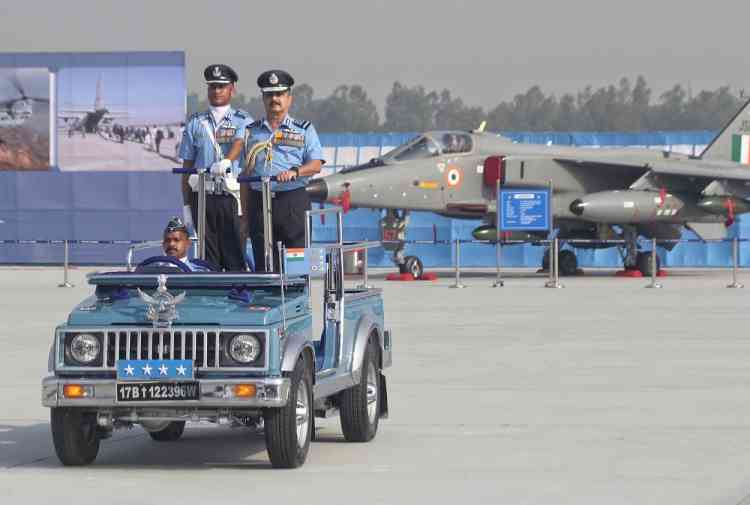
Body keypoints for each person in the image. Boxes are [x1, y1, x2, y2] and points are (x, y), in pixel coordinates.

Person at [240, 69, 324, 272]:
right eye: (269, 95)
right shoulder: (251, 131)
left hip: (292, 202)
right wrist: (244, 213)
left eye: (279, 94)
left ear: (289, 98)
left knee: (298, 263)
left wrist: (295, 171)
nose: (274, 99)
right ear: (263, 99)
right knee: (264, 263)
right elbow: (245, 175)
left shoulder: (304, 129)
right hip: (260, 202)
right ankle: (266, 303)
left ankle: (299, 301)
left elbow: (316, 164)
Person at [179, 64, 251, 271]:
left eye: (221, 86)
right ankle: (210, 301)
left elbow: (239, 143)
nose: (217, 91)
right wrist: (186, 205)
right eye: (213, 87)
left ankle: (238, 298)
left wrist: (228, 161)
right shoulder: (195, 122)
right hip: (202, 197)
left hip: (232, 197)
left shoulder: (243, 120)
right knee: (207, 257)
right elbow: (187, 166)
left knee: (235, 254)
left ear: (232, 89)